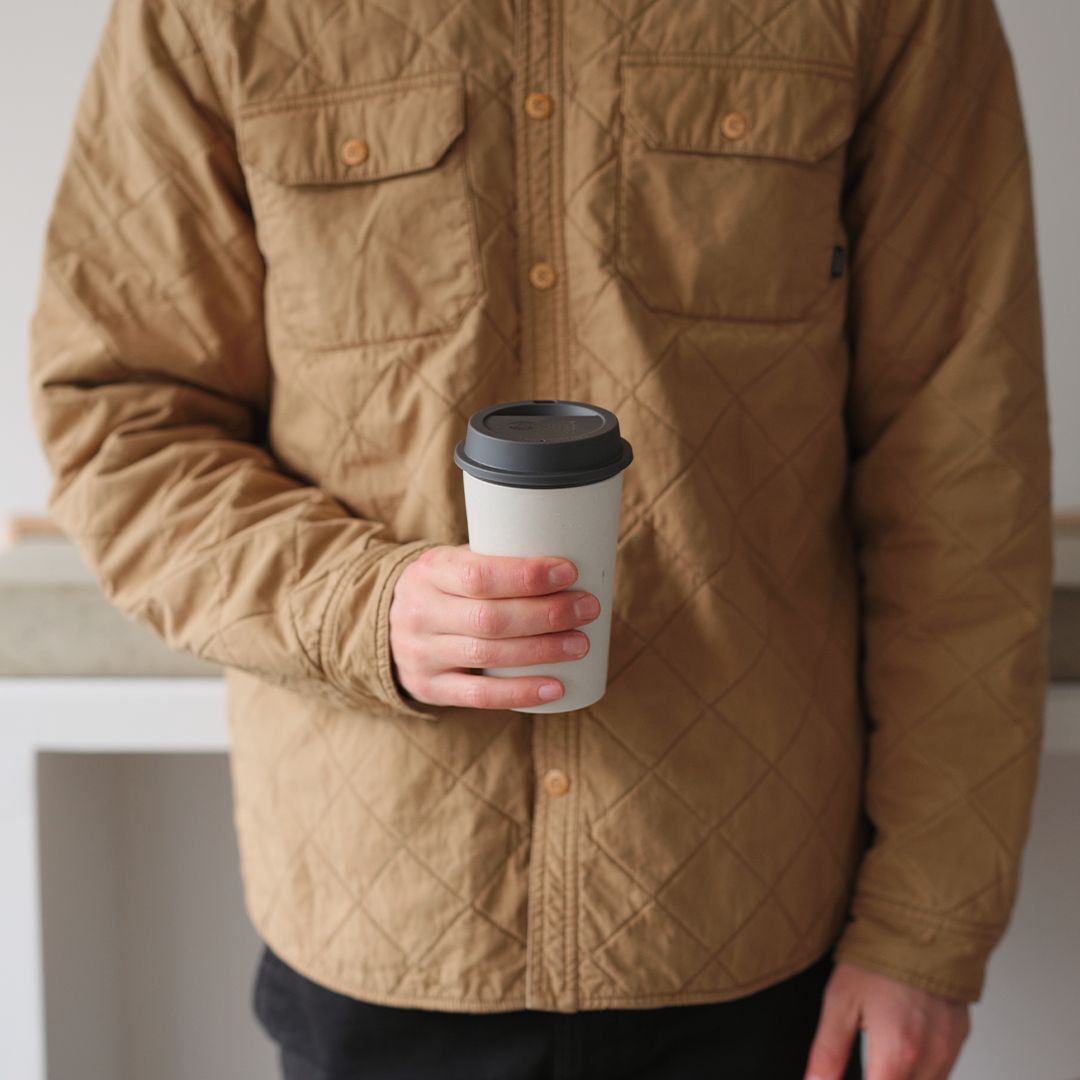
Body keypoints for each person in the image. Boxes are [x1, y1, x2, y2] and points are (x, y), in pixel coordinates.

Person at [27, 0, 1052, 1077]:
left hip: (753, 917)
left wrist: (926, 932)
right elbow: (123, 421)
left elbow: (964, 475)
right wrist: (360, 607)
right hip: (382, 913)